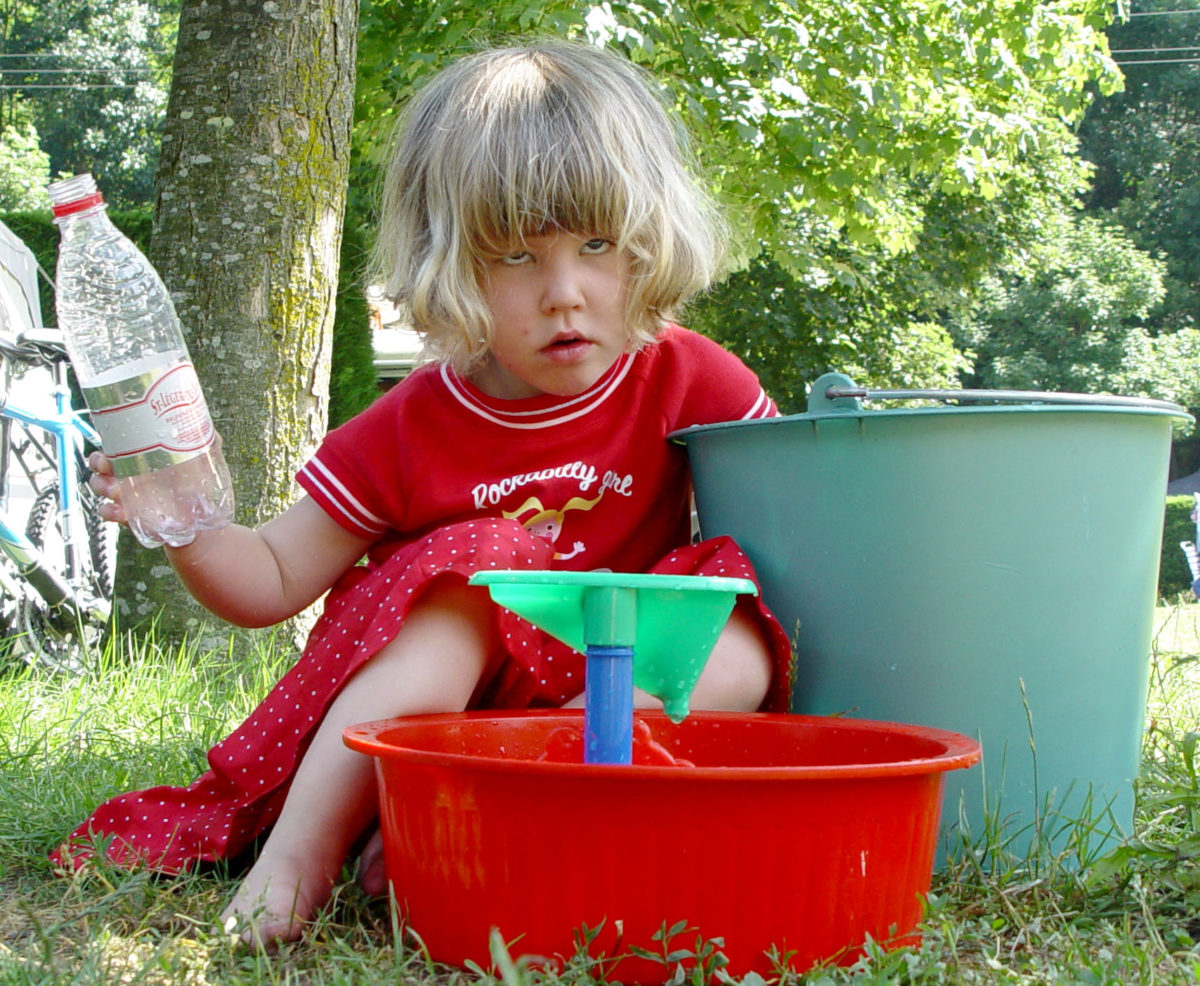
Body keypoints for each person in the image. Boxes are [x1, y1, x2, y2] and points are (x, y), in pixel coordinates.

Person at [53, 39, 792, 946]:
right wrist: (184, 520)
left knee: (737, 616)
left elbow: (794, 535)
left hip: (599, 701)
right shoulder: (415, 422)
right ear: (450, 264)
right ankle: (307, 851)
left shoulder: (689, 377)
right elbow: (270, 579)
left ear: (647, 241)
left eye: (598, 245)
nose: (565, 293)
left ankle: (521, 813)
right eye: (516, 257)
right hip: (447, 715)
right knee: (474, 576)